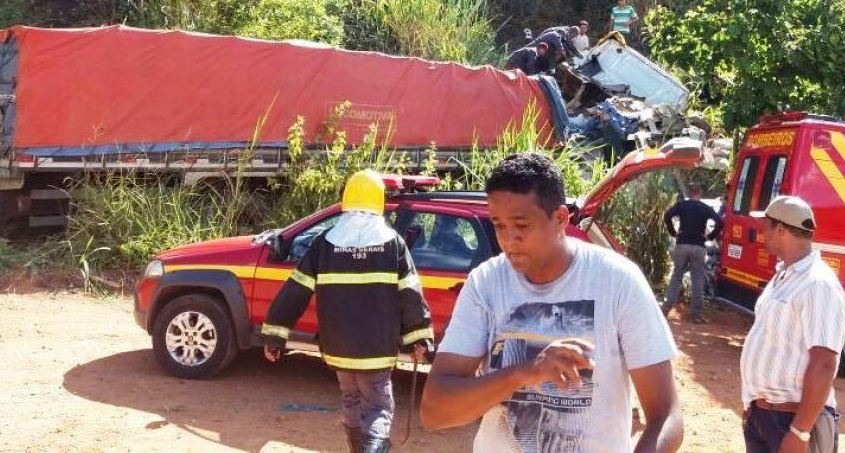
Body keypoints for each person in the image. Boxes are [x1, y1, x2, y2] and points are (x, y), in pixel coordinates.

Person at [420, 153, 683, 453]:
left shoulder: (617, 281)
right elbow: (434, 412)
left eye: (521, 224)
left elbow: (666, 416)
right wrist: (526, 373)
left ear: (560, 218)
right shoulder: (486, 283)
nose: (508, 239)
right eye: (499, 225)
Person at [261, 170, 434, 453]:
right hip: (377, 350)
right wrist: (420, 339)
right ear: (379, 200)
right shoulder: (393, 244)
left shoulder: (326, 242)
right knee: (378, 407)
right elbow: (411, 295)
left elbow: (296, 290)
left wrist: (275, 336)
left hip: (338, 348)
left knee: (351, 399)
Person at [740, 195, 845, 453]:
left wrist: (800, 431)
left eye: (766, 225)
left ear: (780, 229)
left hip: (792, 420)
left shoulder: (818, 284)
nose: (762, 231)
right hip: (764, 417)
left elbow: (823, 363)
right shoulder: (785, 276)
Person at [660, 183, 724, 323]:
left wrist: (673, 232)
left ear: (689, 193)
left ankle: (665, 309)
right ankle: (696, 315)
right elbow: (720, 222)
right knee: (697, 280)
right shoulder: (705, 208)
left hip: (682, 244)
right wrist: (710, 236)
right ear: (700, 193)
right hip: (699, 247)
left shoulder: (682, 205)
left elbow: (667, 215)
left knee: (676, 276)